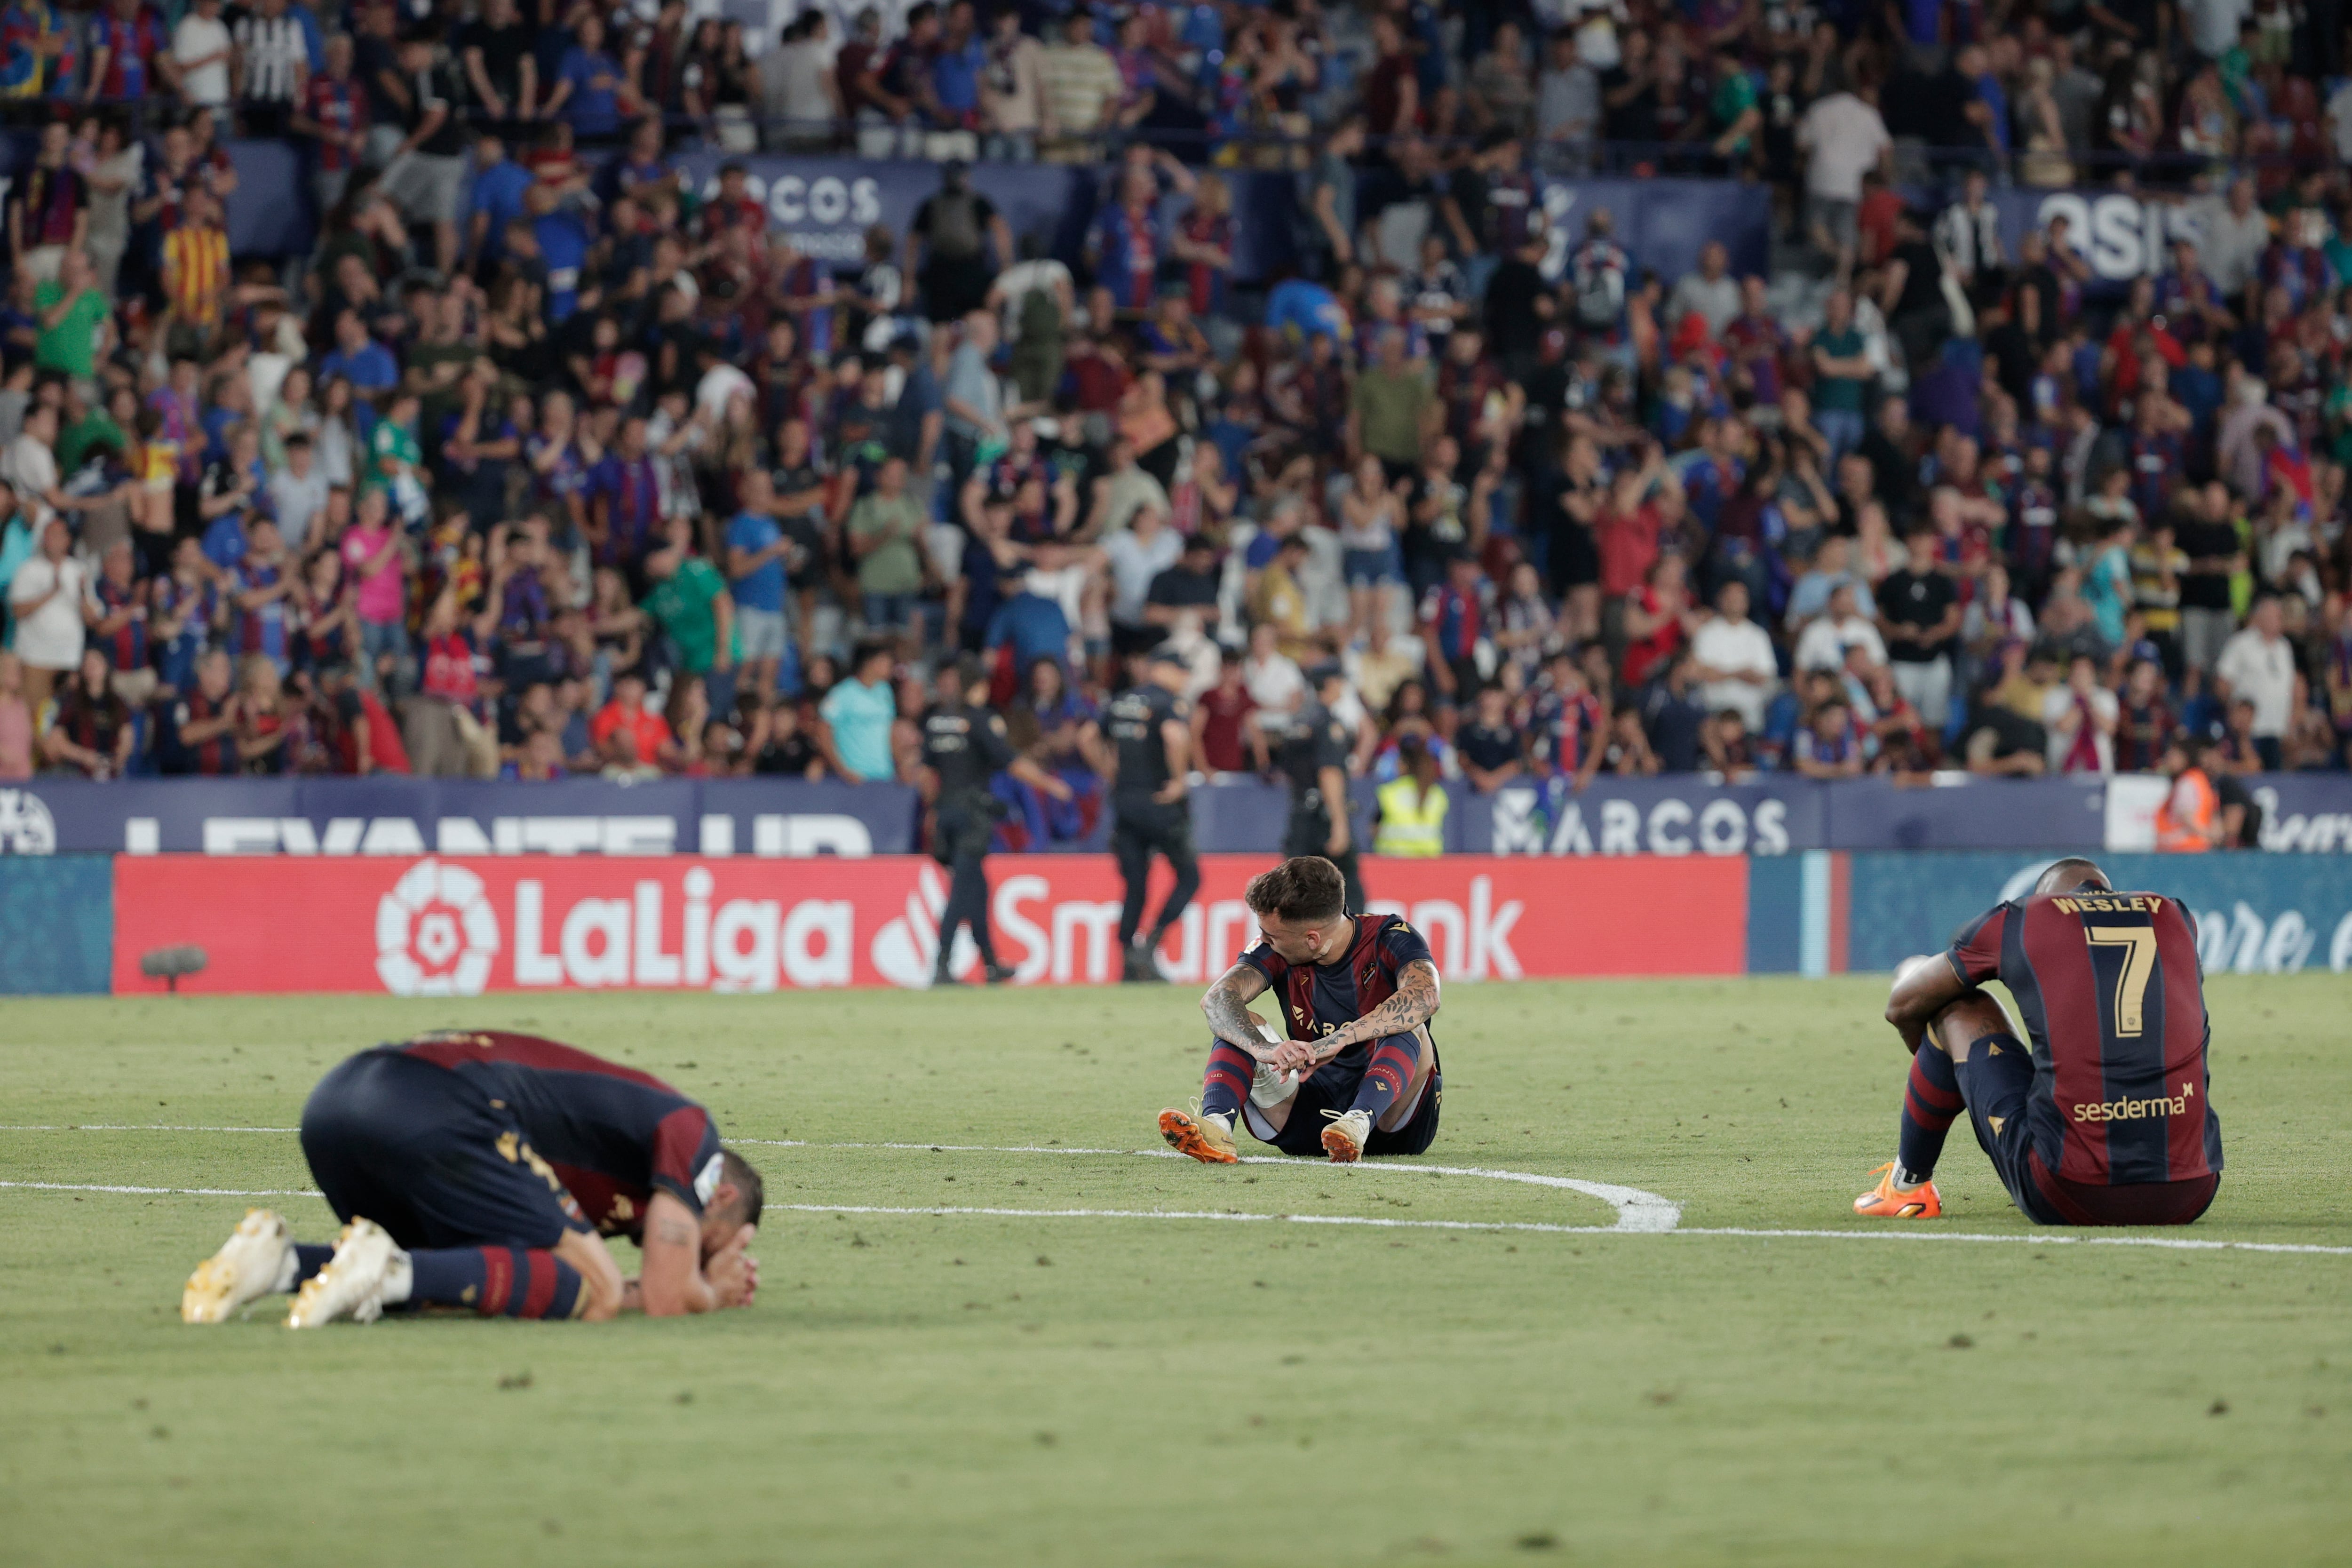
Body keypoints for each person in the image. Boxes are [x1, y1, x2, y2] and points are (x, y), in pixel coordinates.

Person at [179, 1029, 763, 1327]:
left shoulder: (609, 1195)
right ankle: (388, 1269)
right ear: (724, 1196)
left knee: (466, 1278)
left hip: (338, 1105)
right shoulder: (694, 1135)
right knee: (602, 1293)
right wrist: (713, 1290)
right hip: (439, 1106)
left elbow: (555, 1276)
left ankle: (277, 1265)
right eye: (731, 1242)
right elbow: (665, 1296)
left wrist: (687, 1278)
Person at [1862, 859, 2222, 1227]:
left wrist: (1944, 1066)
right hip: (2192, 1189)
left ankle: (1907, 1187)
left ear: (2045, 898)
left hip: (2071, 1192)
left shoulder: (2023, 919)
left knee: (1956, 1006)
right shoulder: (2176, 916)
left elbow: (1901, 1006)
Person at [1158, 855, 1443, 1166]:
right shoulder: (1276, 949)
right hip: (1308, 1117)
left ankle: (1358, 1121)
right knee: (1239, 1023)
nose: (1264, 941)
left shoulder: (1390, 936)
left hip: (1394, 1124)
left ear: (1312, 939)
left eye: (1272, 936)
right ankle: (1217, 1126)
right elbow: (1217, 999)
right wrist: (1265, 1048)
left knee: (1411, 1024)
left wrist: (1339, 1040)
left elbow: (1426, 995)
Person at [919, 657, 1069, 987]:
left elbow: (927, 773)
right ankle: (942, 964)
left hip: (945, 811)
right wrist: (1050, 784)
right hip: (972, 814)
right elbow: (1012, 763)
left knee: (977, 887)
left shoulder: (937, 720)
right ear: (981, 687)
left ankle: (989, 962)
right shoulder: (979, 719)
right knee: (961, 891)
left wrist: (933, 813)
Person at [1085, 646, 1197, 983]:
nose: (1186, 678)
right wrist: (1178, 781)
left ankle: (1128, 962)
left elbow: (1088, 736)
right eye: (1182, 670)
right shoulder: (1168, 703)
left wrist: (1109, 771)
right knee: (1190, 877)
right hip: (1159, 802)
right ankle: (1150, 945)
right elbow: (1174, 736)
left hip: (1124, 803)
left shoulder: (1121, 701)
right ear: (1164, 669)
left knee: (1136, 884)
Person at [1277, 662, 1364, 913]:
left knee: (1299, 898)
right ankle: (1356, 952)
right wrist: (1339, 823)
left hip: (1300, 817)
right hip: (1323, 819)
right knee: (1350, 899)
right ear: (1330, 684)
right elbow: (1330, 773)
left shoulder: (1298, 721)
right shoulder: (1328, 723)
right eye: (1340, 681)